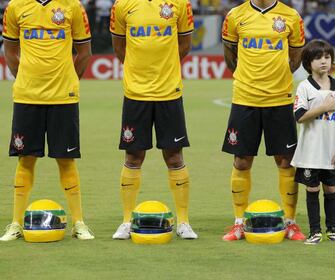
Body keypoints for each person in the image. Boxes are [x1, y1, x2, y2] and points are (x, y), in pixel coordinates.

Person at [0, 0, 94, 241]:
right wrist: (25, 79)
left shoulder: (72, 5)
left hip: (63, 97)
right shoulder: (15, 6)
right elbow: (10, 50)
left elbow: (84, 52)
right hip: (27, 96)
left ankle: (79, 223)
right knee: (26, 158)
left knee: (66, 159)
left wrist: (70, 81)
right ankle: (15, 224)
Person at [110, 0, 198, 240]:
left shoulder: (180, 4)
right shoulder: (121, 5)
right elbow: (119, 47)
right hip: (135, 94)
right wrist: (139, 71)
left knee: (174, 155)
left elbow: (185, 44)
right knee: (133, 155)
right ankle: (127, 221)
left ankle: (183, 222)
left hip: (168, 92)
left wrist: (163, 67)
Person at [221, 0, 306, 241]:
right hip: (245, 98)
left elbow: (295, 57)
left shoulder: (290, 16)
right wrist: (247, 79)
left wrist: (276, 78)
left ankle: (290, 222)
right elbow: (230, 55)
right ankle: (238, 222)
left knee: (286, 161)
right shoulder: (235, 16)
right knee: (241, 161)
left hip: (279, 99)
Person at [291, 39, 335, 244]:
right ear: (308, 63)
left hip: (331, 150)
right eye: (318, 58)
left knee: (331, 189)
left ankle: (333, 229)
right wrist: (323, 107)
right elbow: (299, 116)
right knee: (312, 189)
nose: (324, 61)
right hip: (310, 151)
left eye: (327, 57)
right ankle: (315, 231)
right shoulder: (304, 87)